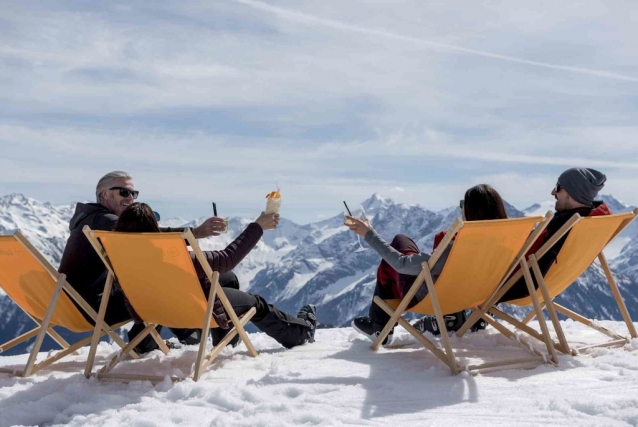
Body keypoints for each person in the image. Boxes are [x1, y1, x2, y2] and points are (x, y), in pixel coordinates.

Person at [59, 171, 248, 351]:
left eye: (134, 193)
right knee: (162, 284)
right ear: (104, 195)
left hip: (71, 304)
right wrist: (196, 232)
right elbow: (150, 236)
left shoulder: (92, 219)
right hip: (92, 306)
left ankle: (173, 336)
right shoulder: (104, 221)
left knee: (159, 280)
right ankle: (197, 335)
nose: (130, 198)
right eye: (124, 192)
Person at [113, 202, 317, 349]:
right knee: (257, 304)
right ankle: (302, 333)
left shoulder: (119, 257)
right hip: (194, 311)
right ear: (154, 231)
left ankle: (227, 338)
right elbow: (228, 258)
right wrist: (258, 226)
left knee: (228, 279)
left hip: (151, 311)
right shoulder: (175, 260)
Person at [345, 184, 507, 345]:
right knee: (403, 240)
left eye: (462, 204)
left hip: (438, 299)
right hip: (479, 297)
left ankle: (379, 325)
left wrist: (369, 234)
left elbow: (401, 264)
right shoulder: (509, 243)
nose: (461, 208)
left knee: (395, 252)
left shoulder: (459, 245)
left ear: (471, 211)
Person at [498, 167, 610, 303]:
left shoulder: (561, 226)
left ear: (571, 192)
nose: (553, 192)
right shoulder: (592, 224)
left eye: (558, 187)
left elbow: (524, 256)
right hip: (549, 288)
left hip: (514, 286)